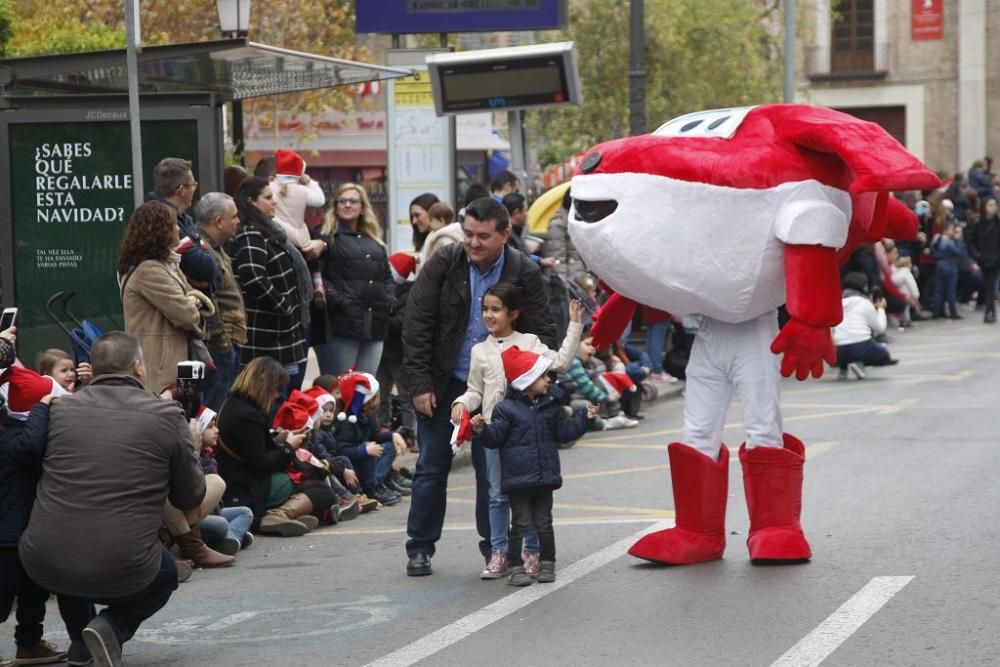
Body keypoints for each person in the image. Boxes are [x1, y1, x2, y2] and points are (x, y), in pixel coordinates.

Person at [20, 332, 207, 667]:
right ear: (137, 368)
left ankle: (81, 641)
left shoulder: (59, 409)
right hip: (122, 564)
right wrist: (190, 446)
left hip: (43, 557)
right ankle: (112, 626)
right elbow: (189, 495)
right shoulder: (166, 415)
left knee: (70, 544)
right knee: (167, 574)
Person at [400, 196, 556, 577]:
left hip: (499, 392)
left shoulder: (522, 270)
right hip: (445, 382)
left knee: (494, 478)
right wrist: (420, 384)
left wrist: (531, 387)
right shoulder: (444, 262)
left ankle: (495, 548)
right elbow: (416, 325)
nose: (473, 243)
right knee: (431, 467)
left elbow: (542, 331)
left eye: (483, 236)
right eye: (468, 233)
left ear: (505, 235)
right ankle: (419, 548)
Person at [452, 283, 584, 579]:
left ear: (513, 313)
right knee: (496, 495)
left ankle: (532, 552)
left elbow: (561, 363)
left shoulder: (530, 342)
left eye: (495, 309)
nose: (488, 314)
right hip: (494, 432)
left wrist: (574, 325)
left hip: (527, 432)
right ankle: (498, 553)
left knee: (532, 492)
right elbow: (475, 389)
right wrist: (461, 404)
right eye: (485, 308)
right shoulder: (480, 351)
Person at [471, 346, 597, 586]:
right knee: (519, 524)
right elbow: (494, 437)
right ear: (526, 381)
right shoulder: (505, 409)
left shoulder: (550, 407)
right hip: (518, 480)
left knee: (543, 523)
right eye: (542, 376)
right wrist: (481, 429)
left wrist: (583, 419)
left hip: (543, 478)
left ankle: (546, 563)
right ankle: (516, 567)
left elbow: (564, 432)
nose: (548, 380)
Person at [215, 357, 335, 537]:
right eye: (277, 389)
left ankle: (286, 514)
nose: (278, 395)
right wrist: (288, 447)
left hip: (239, 482)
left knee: (314, 486)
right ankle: (278, 515)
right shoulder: (248, 416)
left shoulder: (233, 404)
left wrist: (277, 441)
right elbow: (259, 465)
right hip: (247, 486)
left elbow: (253, 449)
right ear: (264, 384)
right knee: (322, 491)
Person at [0, 362, 68, 667]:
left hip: (27, 530)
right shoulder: (10, 435)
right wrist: (42, 406)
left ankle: (28, 645)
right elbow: (28, 446)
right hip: (6, 535)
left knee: (34, 592)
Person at [118, 201, 215, 396]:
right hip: (158, 372)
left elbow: (194, 298)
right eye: (173, 225)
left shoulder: (166, 265)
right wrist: (192, 302)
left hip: (172, 367)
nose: (179, 228)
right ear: (160, 231)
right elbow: (186, 315)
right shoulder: (149, 270)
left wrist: (192, 299)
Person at [231, 177, 310, 391]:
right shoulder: (250, 234)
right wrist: (284, 305)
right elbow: (254, 278)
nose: (274, 202)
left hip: (284, 338)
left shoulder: (268, 231)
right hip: (269, 341)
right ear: (251, 201)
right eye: (267, 198)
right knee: (274, 405)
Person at [311, 183, 394, 376]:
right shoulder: (326, 238)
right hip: (341, 326)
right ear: (336, 206)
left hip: (375, 324)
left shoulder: (374, 240)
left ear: (362, 207)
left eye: (353, 201)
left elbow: (386, 277)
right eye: (342, 201)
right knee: (339, 390)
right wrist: (339, 302)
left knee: (365, 392)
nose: (347, 205)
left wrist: (388, 301)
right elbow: (316, 275)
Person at [195, 192, 248, 410]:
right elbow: (210, 299)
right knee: (213, 405)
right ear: (218, 221)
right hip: (219, 341)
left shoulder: (217, 248)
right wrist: (222, 341)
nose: (238, 221)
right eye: (234, 216)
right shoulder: (201, 252)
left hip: (230, 338)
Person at [147, 157, 220, 292]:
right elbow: (207, 268)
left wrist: (210, 282)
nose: (195, 189)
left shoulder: (183, 218)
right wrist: (209, 279)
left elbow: (215, 271)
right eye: (193, 185)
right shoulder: (161, 220)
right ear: (182, 190)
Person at [331, 372, 401, 507]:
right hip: (355, 467)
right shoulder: (347, 421)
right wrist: (364, 450)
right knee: (369, 447)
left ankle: (379, 483)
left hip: (366, 461)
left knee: (388, 445)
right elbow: (341, 451)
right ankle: (370, 489)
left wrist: (392, 435)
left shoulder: (368, 415)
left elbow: (375, 436)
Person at [832, 272, 896, 379]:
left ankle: (843, 368)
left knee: (844, 342)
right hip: (861, 347)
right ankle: (858, 363)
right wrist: (880, 309)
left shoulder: (836, 303)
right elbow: (880, 329)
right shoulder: (864, 303)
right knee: (883, 353)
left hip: (838, 352)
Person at [965, 196, 1000, 323]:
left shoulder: (998, 222)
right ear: (984, 207)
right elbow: (970, 241)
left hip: (996, 260)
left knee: (991, 285)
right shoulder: (978, 223)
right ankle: (993, 312)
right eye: (990, 205)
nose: (994, 207)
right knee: (987, 286)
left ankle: (987, 313)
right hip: (983, 259)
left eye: (995, 205)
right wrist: (976, 255)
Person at [930, 221, 963, 319]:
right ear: (945, 230)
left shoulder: (937, 239)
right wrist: (959, 241)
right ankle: (953, 312)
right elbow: (958, 252)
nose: (953, 231)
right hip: (950, 266)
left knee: (939, 290)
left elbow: (933, 252)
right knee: (950, 290)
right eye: (951, 229)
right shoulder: (949, 241)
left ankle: (936, 312)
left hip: (939, 265)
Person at [419, 201, 463, 268]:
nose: (429, 223)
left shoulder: (445, 240)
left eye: (431, 220)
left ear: (441, 220)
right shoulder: (436, 235)